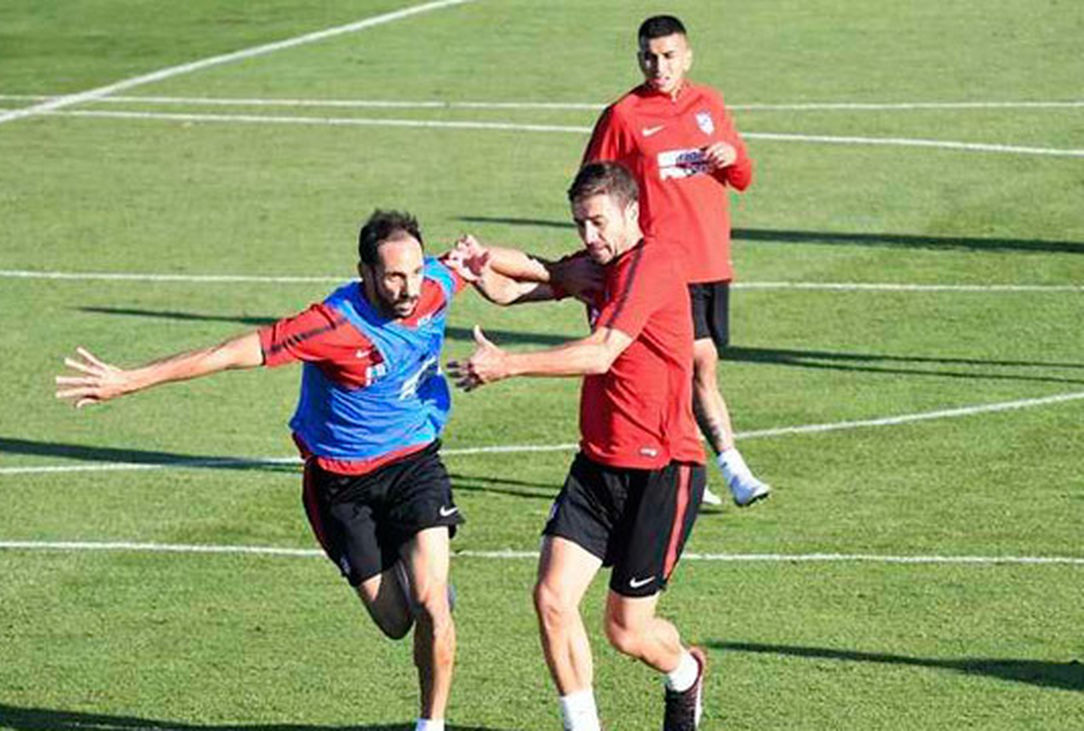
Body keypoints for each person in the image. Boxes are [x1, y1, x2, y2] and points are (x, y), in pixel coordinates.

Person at [56, 210, 465, 731]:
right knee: (397, 621)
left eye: (414, 273)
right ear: (365, 273)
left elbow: (479, 265)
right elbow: (227, 353)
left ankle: (431, 724)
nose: (409, 288)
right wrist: (130, 380)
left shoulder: (433, 285)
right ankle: (424, 591)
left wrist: (566, 279)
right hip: (341, 483)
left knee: (432, 605)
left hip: (414, 462)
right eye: (393, 276)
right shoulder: (331, 324)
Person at [447, 162, 708, 731]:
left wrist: (508, 365)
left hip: (663, 469)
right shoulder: (599, 266)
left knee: (627, 631)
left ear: (631, 212)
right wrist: (477, 266)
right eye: (579, 225)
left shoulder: (652, 265)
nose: (589, 238)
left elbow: (601, 353)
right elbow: (517, 288)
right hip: (596, 465)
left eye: (597, 223)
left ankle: (685, 672)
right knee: (551, 598)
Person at [578, 14, 769, 507]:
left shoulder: (710, 103)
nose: (657, 66)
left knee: (692, 369)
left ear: (687, 56)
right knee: (698, 361)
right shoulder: (624, 115)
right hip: (660, 268)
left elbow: (743, 177)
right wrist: (602, 248)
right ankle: (731, 468)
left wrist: (732, 155)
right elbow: (592, 184)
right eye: (648, 56)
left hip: (711, 262)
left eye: (667, 56)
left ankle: (679, 461)